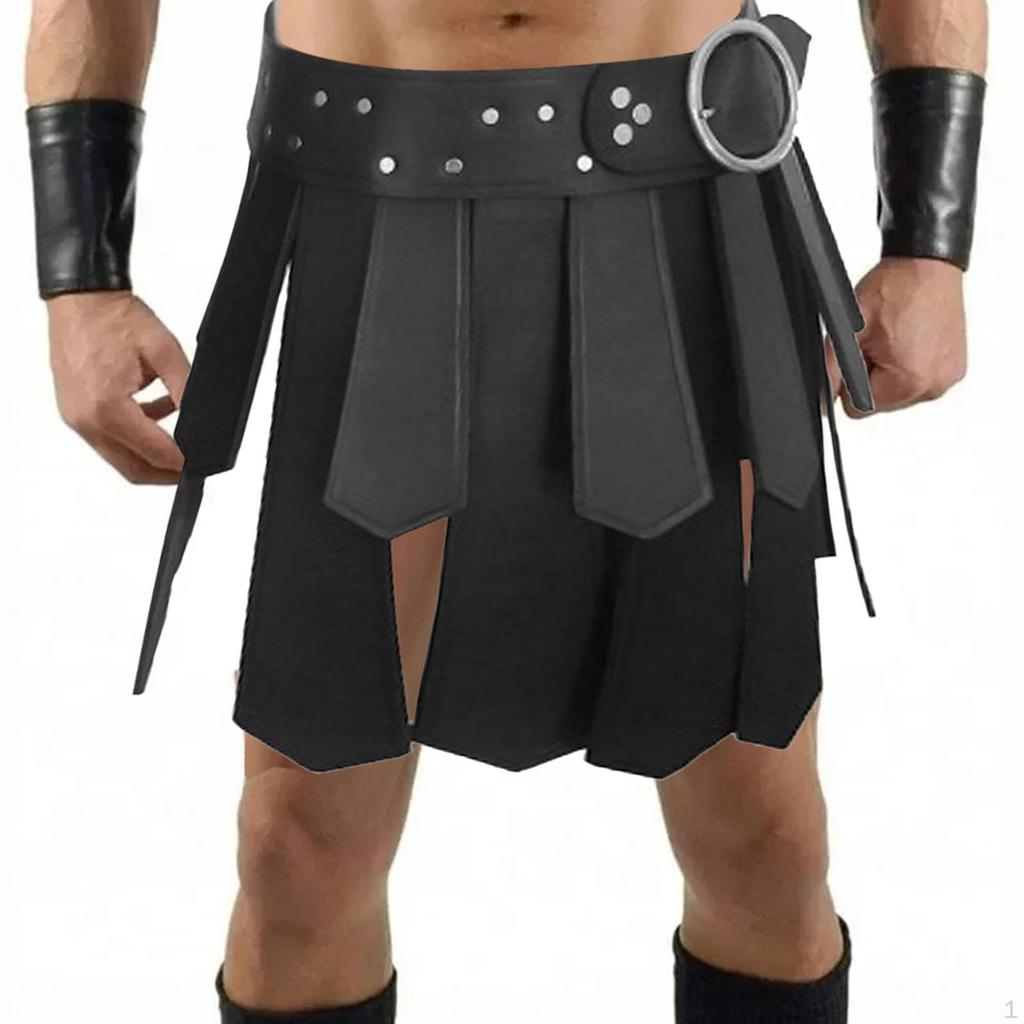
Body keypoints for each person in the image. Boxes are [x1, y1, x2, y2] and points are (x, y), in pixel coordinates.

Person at [24, 0, 987, 1021]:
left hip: (688, 195)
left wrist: (929, 238)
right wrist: (82, 274)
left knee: (767, 837)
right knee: (295, 849)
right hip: (370, 179)